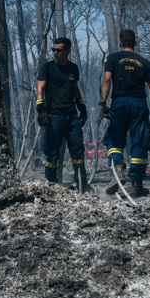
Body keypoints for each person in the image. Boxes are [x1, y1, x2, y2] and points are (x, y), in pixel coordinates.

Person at [99, 28, 150, 198]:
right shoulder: (145, 63)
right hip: (139, 104)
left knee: (114, 139)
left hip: (119, 103)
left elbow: (107, 80)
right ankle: (136, 184)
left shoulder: (112, 58)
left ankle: (118, 170)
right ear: (135, 43)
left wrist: (103, 104)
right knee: (139, 141)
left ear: (120, 43)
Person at [36, 37, 90, 192]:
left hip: (71, 117)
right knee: (52, 152)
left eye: (59, 50)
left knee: (77, 151)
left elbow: (75, 88)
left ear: (68, 51)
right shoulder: (47, 68)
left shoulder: (73, 68)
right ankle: (52, 183)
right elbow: (39, 89)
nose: (55, 52)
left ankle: (82, 183)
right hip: (54, 117)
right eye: (53, 50)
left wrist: (81, 106)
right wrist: (41, 110)